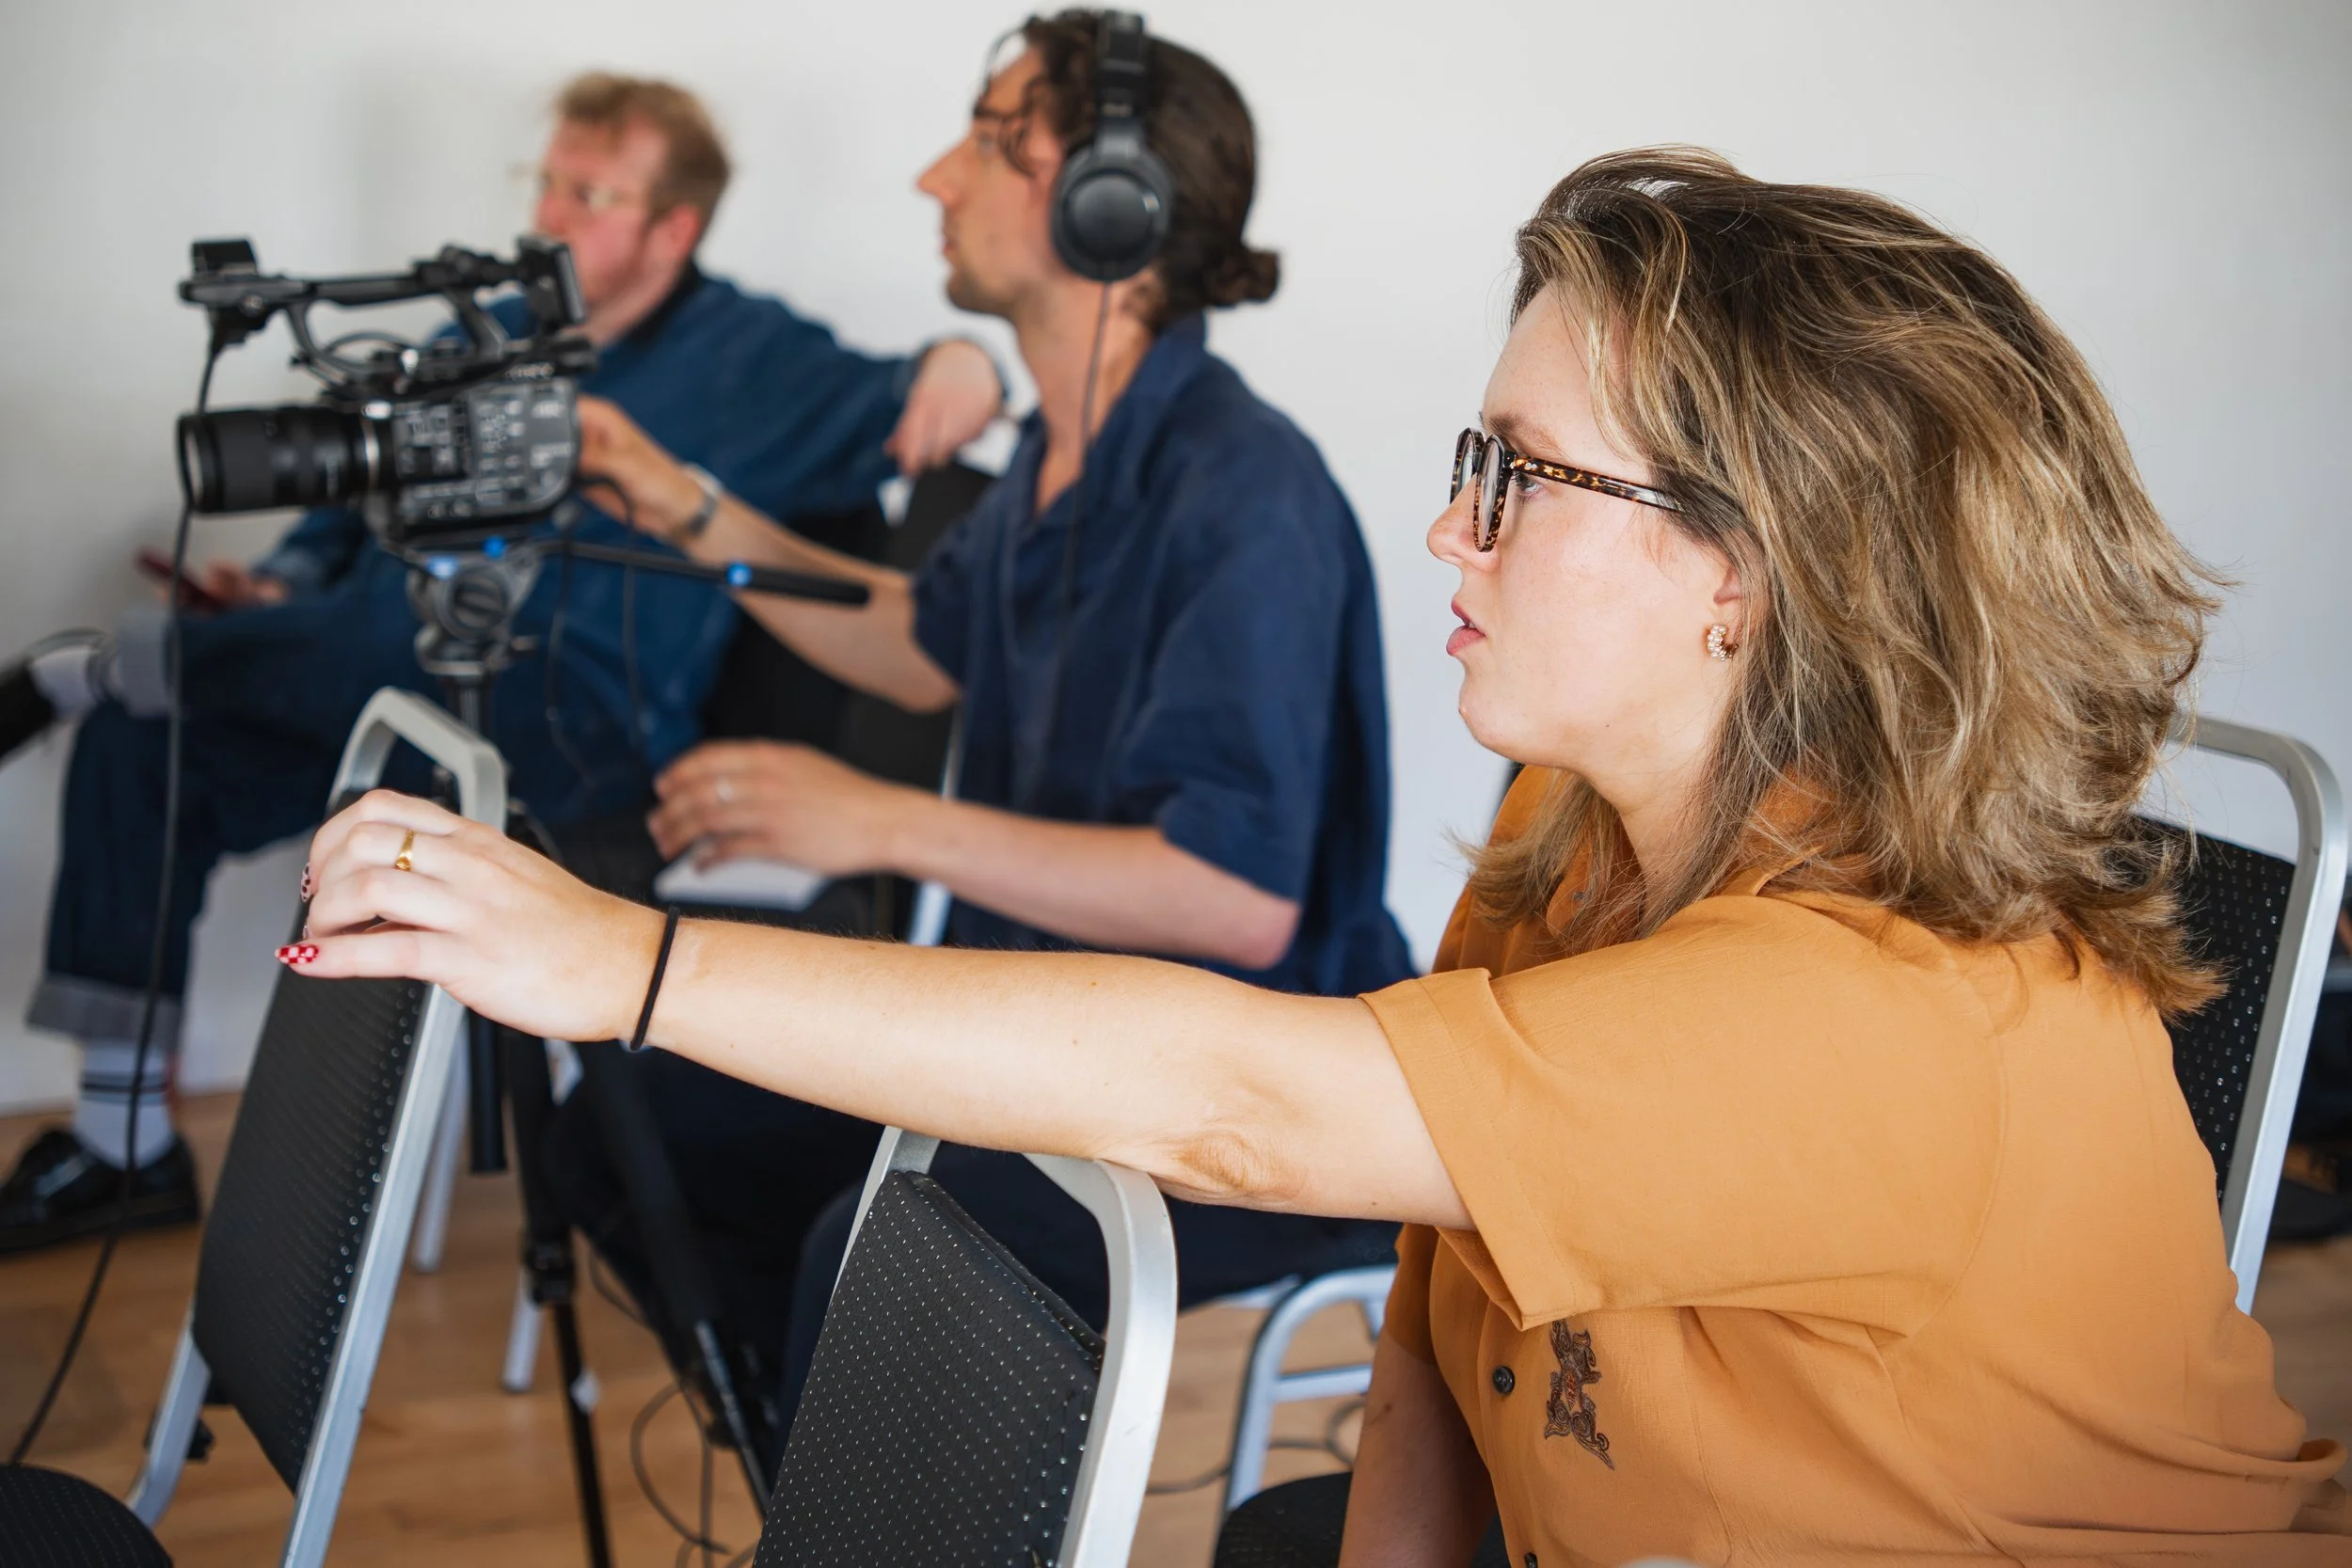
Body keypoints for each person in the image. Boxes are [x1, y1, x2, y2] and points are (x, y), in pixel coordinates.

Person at [291, 147, 2352, 1558]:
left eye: (1514, 475)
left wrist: (627, 960)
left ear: (1746, 571)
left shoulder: (1876, 1009)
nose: (1446, 530)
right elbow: (1442, 1331)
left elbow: (1245, 1099)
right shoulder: (1573, 844)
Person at [538, 9, 1414, 1403]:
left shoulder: (1246, 493)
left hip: (1249, 1095)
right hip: (1051, 1035)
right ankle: (835, 1475)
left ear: (1106, 200)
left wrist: (877, 819)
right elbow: (914, 639)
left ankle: (875, 1475)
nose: (935, 176)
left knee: (872, 1258)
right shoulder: (1058, 469)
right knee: (627, 1120)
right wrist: (682, 504)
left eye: (990, 139)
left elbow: (1231, 899)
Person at [0, 71, 1003, 1256]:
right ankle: (126, 1146)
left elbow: (938, 388)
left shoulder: (758, 361)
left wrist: (964, 361)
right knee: (146, 741)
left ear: (672, 228)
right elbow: (344, 528)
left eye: (592, 191)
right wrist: (268, 596)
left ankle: (113, 664)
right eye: (550, 181)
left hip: (575, 725)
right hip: (381, 678)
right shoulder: (484, 333)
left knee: (396, 632)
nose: (555, 213)